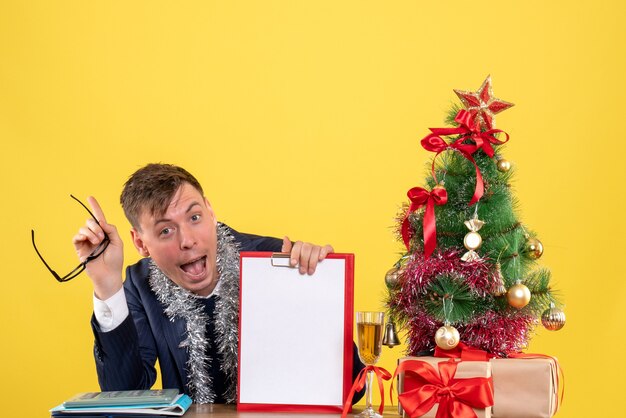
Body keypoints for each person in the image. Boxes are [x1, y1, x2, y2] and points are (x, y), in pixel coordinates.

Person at [73, 163, 363, 404]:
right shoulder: (138, 284)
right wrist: (107, 285)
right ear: (140, 242)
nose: (188, 240)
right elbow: (124, 395)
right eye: (165, 231)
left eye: (195, 217)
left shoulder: (275, 260)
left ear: (211, 212)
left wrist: (313, 293)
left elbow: (354, 389)